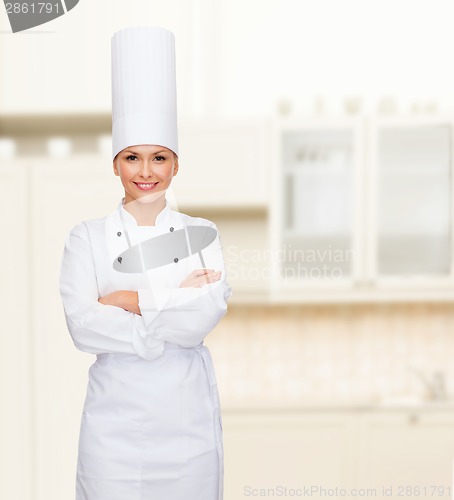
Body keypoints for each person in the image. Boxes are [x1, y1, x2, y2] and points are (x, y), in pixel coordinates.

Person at [59, 26, 232, 500]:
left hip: (186, 426)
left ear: (176, 165)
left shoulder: (202, 233)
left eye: (159, 158)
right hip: (114, 430)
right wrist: (171, 303)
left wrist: (124, 301)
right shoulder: (86, 237)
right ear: (115, 164)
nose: (146, 171)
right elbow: (82, 325)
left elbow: (204, 314)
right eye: (132, 157)